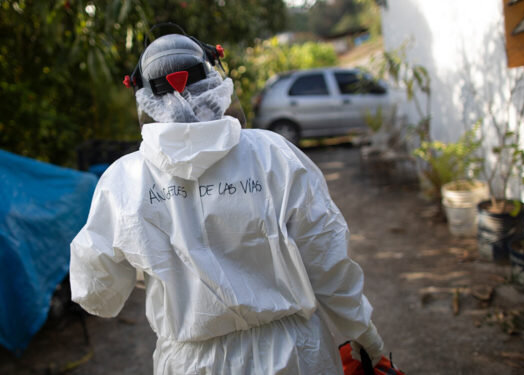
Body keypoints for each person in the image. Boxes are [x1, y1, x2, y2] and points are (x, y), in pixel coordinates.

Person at [69, 30, 386, 374]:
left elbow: (95, 293)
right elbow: (326, 259)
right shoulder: (272, 154)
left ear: (145, 99)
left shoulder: (123, 181)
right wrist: (363, 334)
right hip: (296, 354)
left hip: (192, 364)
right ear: (214, 80)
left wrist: (154, 257)